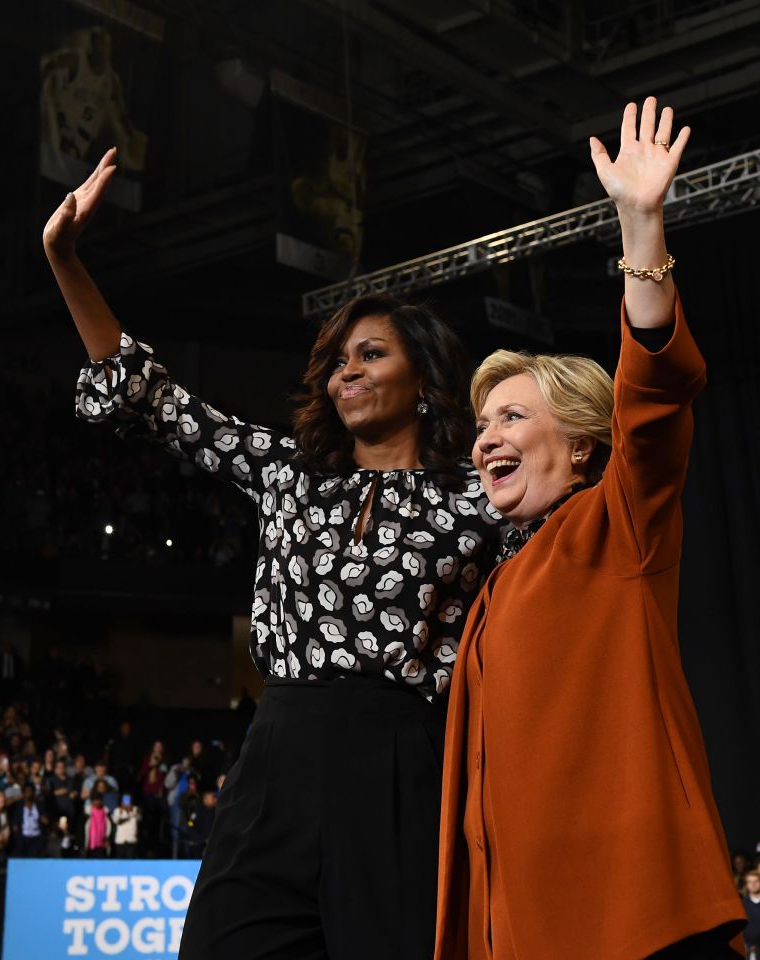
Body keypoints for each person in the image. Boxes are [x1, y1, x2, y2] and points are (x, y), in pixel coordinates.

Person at [42, 151, 504, 960]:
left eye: (371, 355)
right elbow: (148, 396)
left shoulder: (479, 498)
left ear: (424, 382)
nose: (344, 372)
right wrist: (65, 260)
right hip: (279, 748)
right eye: (336, 359)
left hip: (404, 760)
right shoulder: (288, 472)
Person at [434, 98, 746, 960]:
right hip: (527, 931)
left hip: (633, 923)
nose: (486, 437)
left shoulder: (618, 525)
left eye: (510, 416)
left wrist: (640, 229)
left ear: (579, 447)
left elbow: (653, 394)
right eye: (480, 424)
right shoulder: (496, 586)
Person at [743, 871, 760, 959]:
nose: (753, 884)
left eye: (756, 881)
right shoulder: (742, 904)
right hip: (746, 946)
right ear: (746, 884)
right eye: (750, 882)